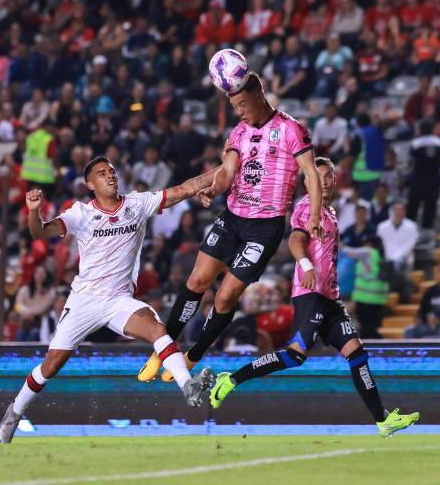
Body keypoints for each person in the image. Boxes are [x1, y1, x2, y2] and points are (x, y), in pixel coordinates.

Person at [0, 157, 217, 444]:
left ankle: (188, 386)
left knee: (156, 328)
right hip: (84, 301)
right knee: (51, 365)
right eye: (101, 174)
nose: (110, 175)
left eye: (112, 171)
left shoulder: (138, 204)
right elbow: (40, 232)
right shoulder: (81, 214)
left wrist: (226, 168)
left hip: (118, 300)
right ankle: (14, 412)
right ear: (90, 185)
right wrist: (34, 212)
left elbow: (184, 189)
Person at [208, 158, 419, 438]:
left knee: (357, 354)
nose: (325, 182)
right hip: (310, 294)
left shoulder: (329, 212)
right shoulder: (307, 206)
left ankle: (383, 420)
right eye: (318, 177)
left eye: (329, 176)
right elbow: (295, 239)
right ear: (308, 182)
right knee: (295, 356)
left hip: (330, 298)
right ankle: (231, 379)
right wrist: (306, 265)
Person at [138, 73, 323, 384]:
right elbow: (227, 171)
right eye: (235, 106)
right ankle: (163, 350)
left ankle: (193, 355)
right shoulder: (239, 132)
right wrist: (214, 188)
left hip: (264, 227)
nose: (239, 112)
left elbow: (311, 174)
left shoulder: (292, 129)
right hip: (233, 217)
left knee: (224, 298)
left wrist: (314, 214)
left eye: (242, 105)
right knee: (197, 280)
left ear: (258, 97)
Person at [345, 235, 390, 339]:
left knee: (366, 329)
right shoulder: (381, 255)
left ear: (369, 244)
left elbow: (349, 252)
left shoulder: (369, 252)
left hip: (365, 298)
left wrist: (339, 245)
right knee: (372, 327)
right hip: (379, 299)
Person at [404, 262, 440, 339]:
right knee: (409, 330)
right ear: (437, 273)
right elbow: (422, 310)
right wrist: (423, 318)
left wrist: (439, 319)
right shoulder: (430, 291)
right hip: (429, 325)